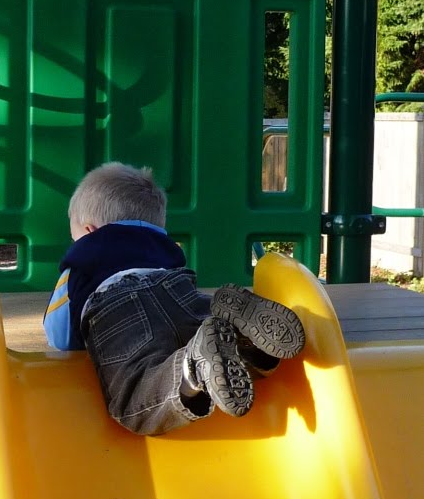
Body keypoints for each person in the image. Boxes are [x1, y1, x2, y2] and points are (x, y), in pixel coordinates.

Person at [44, 162, 305, 435]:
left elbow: (60, 335)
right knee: (206, 331)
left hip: (116, 305)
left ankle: (192, 369)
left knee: (133, 395)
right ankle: (248, 342)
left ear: (88, 231)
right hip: (176, 286)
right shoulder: (161, 246)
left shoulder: (82, 259)